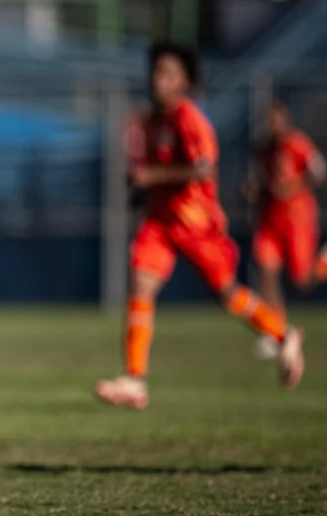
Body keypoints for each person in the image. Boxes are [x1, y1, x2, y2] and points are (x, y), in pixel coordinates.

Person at [94, 43, 306, 410]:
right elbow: (155, 170)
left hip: (197, 223)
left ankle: (283, 334)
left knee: (227, 293)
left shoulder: (189, 118)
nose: (158, 80)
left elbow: (203, 169)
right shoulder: (152, 120)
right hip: (161, 220)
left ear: (184, 82)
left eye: (168, 74)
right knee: (141, 284)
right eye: (156, 72)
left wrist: (152, 176)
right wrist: (142, 193)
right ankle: (134, 380)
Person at [243, 100, 327, 358]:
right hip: (270, 219)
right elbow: (261, 181)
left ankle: (324, 262)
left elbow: (319, 172)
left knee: (301, 280)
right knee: (265, 269)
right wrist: (254, 190)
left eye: (276, 120)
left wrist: (294, 186)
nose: (272, 126)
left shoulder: (298, 144)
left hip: (297, 219)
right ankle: (276, 330)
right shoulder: (262, 149)